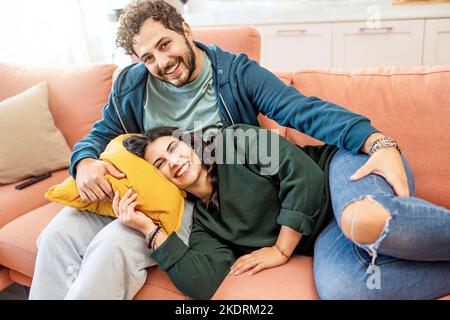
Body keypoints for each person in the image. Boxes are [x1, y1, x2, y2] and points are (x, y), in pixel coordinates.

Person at [29, 0, 410, 299]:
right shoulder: (133, 85)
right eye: (147, 57)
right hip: (145, 183)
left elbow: (299, 110)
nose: (162, 63)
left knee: (113, 246)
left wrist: (372, 139)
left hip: (192, 199)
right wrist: (84, 163)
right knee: (56, 235)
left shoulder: (235, 74)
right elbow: (100, 133)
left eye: (165, 45)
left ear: (185, 31)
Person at [117, 124, 450, 300]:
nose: (173, 162)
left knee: (362, 221)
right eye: (160, 165)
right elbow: (201, 284)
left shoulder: (233, 141)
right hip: (327, 231)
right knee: (343, 291)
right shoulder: (205, 224)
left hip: (344, 171)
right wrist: (150, 230)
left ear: (189, 143)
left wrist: (281, 249)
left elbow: (303, 176)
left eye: (173, 148)